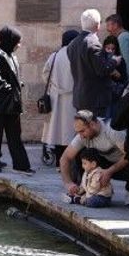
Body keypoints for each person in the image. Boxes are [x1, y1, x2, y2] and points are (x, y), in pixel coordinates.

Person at [0, 26, 34, 175]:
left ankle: (21, 165)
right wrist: (8, 87)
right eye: (17, 41)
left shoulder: (10, 54)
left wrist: (17, 84)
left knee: (15, 135)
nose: (19, 45)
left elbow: (10, 75)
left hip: (11, 103)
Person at [60, 110, 129, 206]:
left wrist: (109, 171)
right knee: (80, 153)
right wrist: (68, 183)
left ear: (92, 124)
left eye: (82, 131)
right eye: (78, 132)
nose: (81, 136)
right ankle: (84, 188)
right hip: (103, 163)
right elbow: (65, 158)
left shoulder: (112, 130)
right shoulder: (82, 136)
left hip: (124, 165)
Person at [68, 9, 118, 117]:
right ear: (97, 25)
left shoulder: (72, 44)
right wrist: (114, 61)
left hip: (80, 98)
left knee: (84, 127)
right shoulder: (93, 44)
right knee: (96, 127)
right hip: (95, 100)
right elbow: (102, 70)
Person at [41, 30, 81, 166]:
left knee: (57, 131)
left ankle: (59, 162)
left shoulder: (55, 55)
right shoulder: (76, 55)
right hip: (72, 98)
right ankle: (70, 162)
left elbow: (45, 74)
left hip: (56, 98)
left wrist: (54, 86)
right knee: (70, 131)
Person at [105, 14, 129, 79]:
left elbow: (127, 61)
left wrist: (126, 79)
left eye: (108, 25)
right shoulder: (127, 35)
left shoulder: (122, 38)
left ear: (115, 25)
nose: (107, 29)